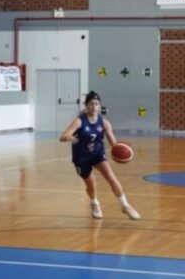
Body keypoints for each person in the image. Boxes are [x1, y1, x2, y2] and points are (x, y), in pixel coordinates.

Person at [59, 91, 141, 220]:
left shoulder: (104, 123)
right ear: (86, 106)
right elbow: (62, 136)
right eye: (91, 104)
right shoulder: (79, 121)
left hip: (97, 154)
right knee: (91, 186)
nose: (94, 107)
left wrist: (124, 148)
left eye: (96, 104)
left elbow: (114, 144)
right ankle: (94, 203)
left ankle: (125, 206)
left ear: (100, 105)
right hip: (81, 158)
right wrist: (69, 137)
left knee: (111, 178)